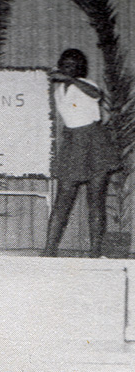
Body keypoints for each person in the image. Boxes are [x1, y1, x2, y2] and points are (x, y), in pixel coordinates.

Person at [42, 48, 118, 257]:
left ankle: (95, 252)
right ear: (60, 65)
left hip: (95, 143)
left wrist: (70, 79)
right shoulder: (59, 90)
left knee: (96, 201)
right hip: (73, 143)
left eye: (73, 66)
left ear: (80, 69)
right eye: (65, 65)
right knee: (63, 199)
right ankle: (49, 250)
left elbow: (96, 94)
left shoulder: (87, 84)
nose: (69, 69)